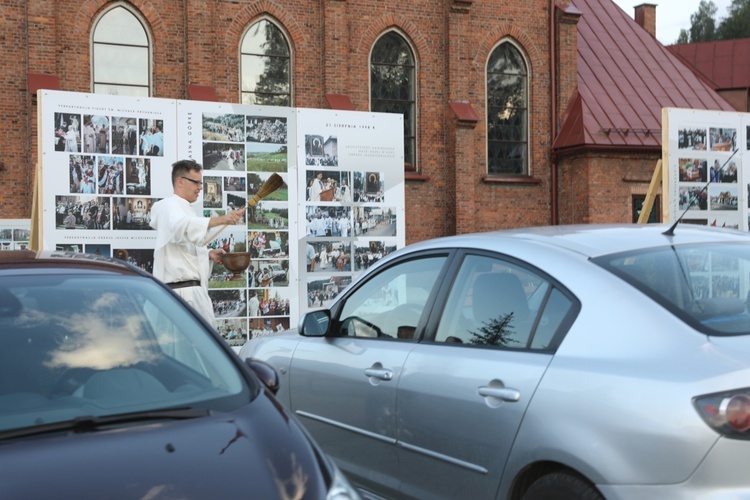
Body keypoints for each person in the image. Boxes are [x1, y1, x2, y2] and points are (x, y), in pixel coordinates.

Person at [150, 159, 241, 325]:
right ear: (180, 181)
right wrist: (223, 219)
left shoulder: (183, 209)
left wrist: (207, 254)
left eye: (201, 183)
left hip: (189, 294)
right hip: (184, 296)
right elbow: (182, 227)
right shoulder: (170, 206)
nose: (200, 187)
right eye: (196, 182)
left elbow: (182, 245)